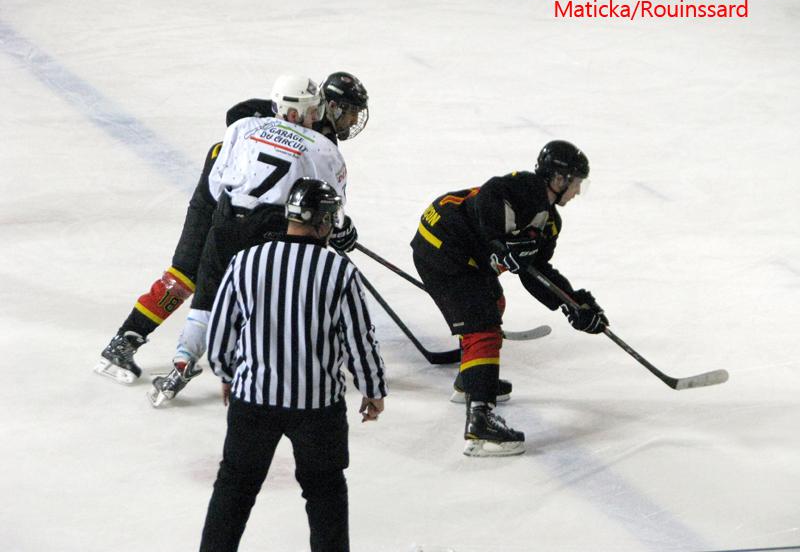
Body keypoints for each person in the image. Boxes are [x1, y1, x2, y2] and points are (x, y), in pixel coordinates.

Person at [93, 72, 369, 387]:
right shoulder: (294, 122)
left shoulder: (322, 139)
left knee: (249, 277)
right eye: (350, 111)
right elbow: (237, 115)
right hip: (219, 192)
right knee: (188, 271)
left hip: (247, 201)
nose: (353, 120)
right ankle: (126, 339)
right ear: (328, 106)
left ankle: (230, 344)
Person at [199, 177, 387, 552]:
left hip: (253, 400)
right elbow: (359, 339)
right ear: (323, 221)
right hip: (317, 408)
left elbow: (219, 333)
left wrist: (227, 373)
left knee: (234, 489)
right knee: (325, 494)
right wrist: (372, 389)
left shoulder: (245, 261)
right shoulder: (338, 270)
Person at [410, 140, 609, 457]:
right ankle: (481, 423)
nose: (577, 191)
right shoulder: (524, 187)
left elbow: (536, 272)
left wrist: (574, 304)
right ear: (559, 179)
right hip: (441, 245)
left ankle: (471, 381)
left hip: (465, 255)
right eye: (576, 183)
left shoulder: (550, 223)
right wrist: (499, 244)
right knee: (483, 327)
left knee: (494, 302)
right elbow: (489, 195)